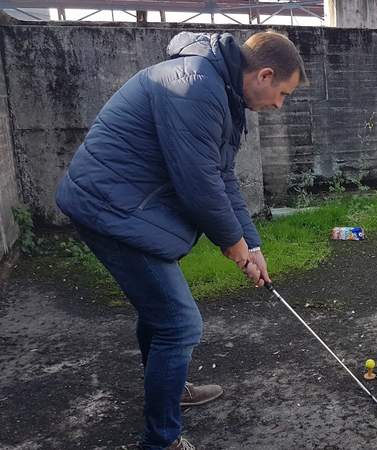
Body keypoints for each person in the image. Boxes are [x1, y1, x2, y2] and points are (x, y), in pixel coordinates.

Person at [55, 30, 306, 450]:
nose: (279, 105)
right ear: (264, 75)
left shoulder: (220, 91)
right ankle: (161, 440)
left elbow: (223, 177)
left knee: (161, 314)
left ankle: (169, 393)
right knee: (178, 322)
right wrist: (234, 247)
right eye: (282, 93)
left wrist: (253, 244)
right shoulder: (195, 85)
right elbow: (199, 185)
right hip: (110, 210)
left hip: (126, 208)